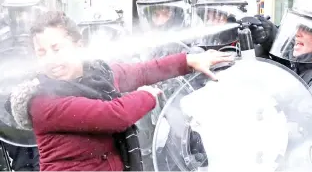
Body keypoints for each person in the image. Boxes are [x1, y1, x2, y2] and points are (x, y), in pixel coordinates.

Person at [8, 10, 233, 171]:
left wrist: (189, 61)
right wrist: (147, 95)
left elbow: (142, 71)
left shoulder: (97, 78)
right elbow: (114, 116)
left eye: (57, 48)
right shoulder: (43, 103)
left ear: (78, 46)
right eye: (42, 52)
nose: (51, 59)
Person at [0, 0, 43, 171]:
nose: (22, 19)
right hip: (8, 124)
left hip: (44, 119)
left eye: (26, 12)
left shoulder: (48, 40)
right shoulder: (2, 41)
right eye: (16, 13)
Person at [191, 0, 259, 55]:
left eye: (216, 16)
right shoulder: (201, 44)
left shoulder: (254, 44)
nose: (209, 22)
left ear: (236, 19)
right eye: (207, 17)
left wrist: (270, 35)